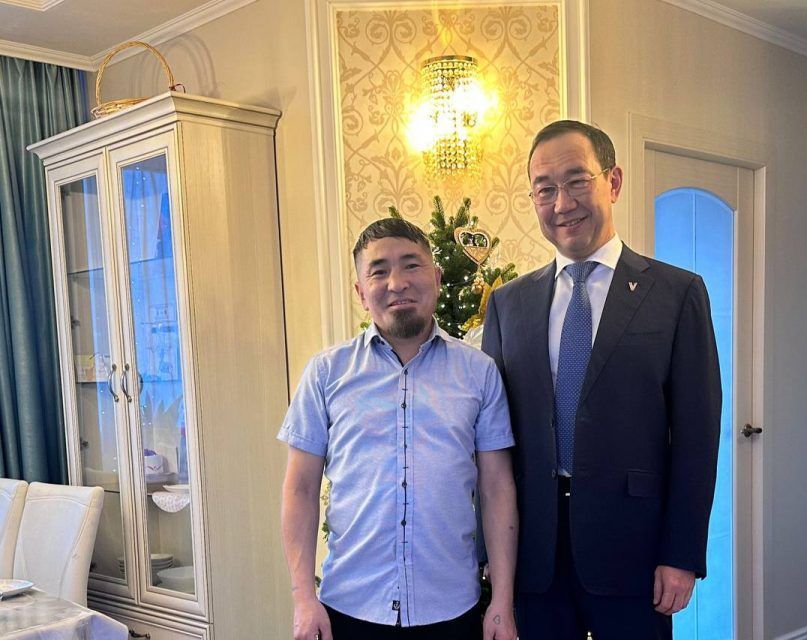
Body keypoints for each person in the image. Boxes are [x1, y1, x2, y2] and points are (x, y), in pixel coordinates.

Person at [481, 120, 721, 639]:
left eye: (576, 181)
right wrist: (489, 556)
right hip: (535, 556)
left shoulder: (677, 294)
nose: (562, 203)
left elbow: (697, 438)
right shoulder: (507, 304)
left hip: (635, 552)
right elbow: (491, 439)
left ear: (613, 182)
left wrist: (682, 554)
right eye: (545, 189)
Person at [280, 218, 518, 640]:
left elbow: (497, 489)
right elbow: (299, 489)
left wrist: (501, 600)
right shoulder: (326, 373)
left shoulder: (479, 373)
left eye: (411, 265)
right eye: (379, 271)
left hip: (452, 608)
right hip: (350, 607)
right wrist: (303, 598)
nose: (397, 283)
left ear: (436, 278)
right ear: (360, 292)